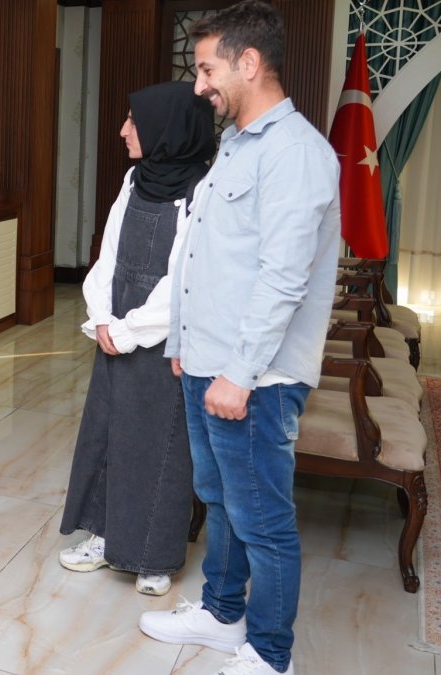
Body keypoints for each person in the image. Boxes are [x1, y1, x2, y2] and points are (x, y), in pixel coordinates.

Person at [138, 3, 340, 674]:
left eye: (206, 68)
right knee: (221, 499)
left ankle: (270, 652)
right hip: (207, 360)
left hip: (254, 377)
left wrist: (240, 374)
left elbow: (283, 278)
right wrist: (182, 343)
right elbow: (209, 250)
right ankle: (224, 613)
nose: (199, 85)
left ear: (249, 63)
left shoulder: (298, 153)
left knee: (264, 520)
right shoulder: (238, 142)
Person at [58, 81, 215, 597]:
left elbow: (185, 282)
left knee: (159, 443)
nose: (124, 129)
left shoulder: (200, 191)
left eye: (133, 121)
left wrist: (129, 331)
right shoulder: (133, 178)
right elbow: (107, 253)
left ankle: (153, 556)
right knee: (108, 433)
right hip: (116, 321)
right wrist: (101, 315)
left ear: (166, 130)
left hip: (161, 333)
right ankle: (105, 537)